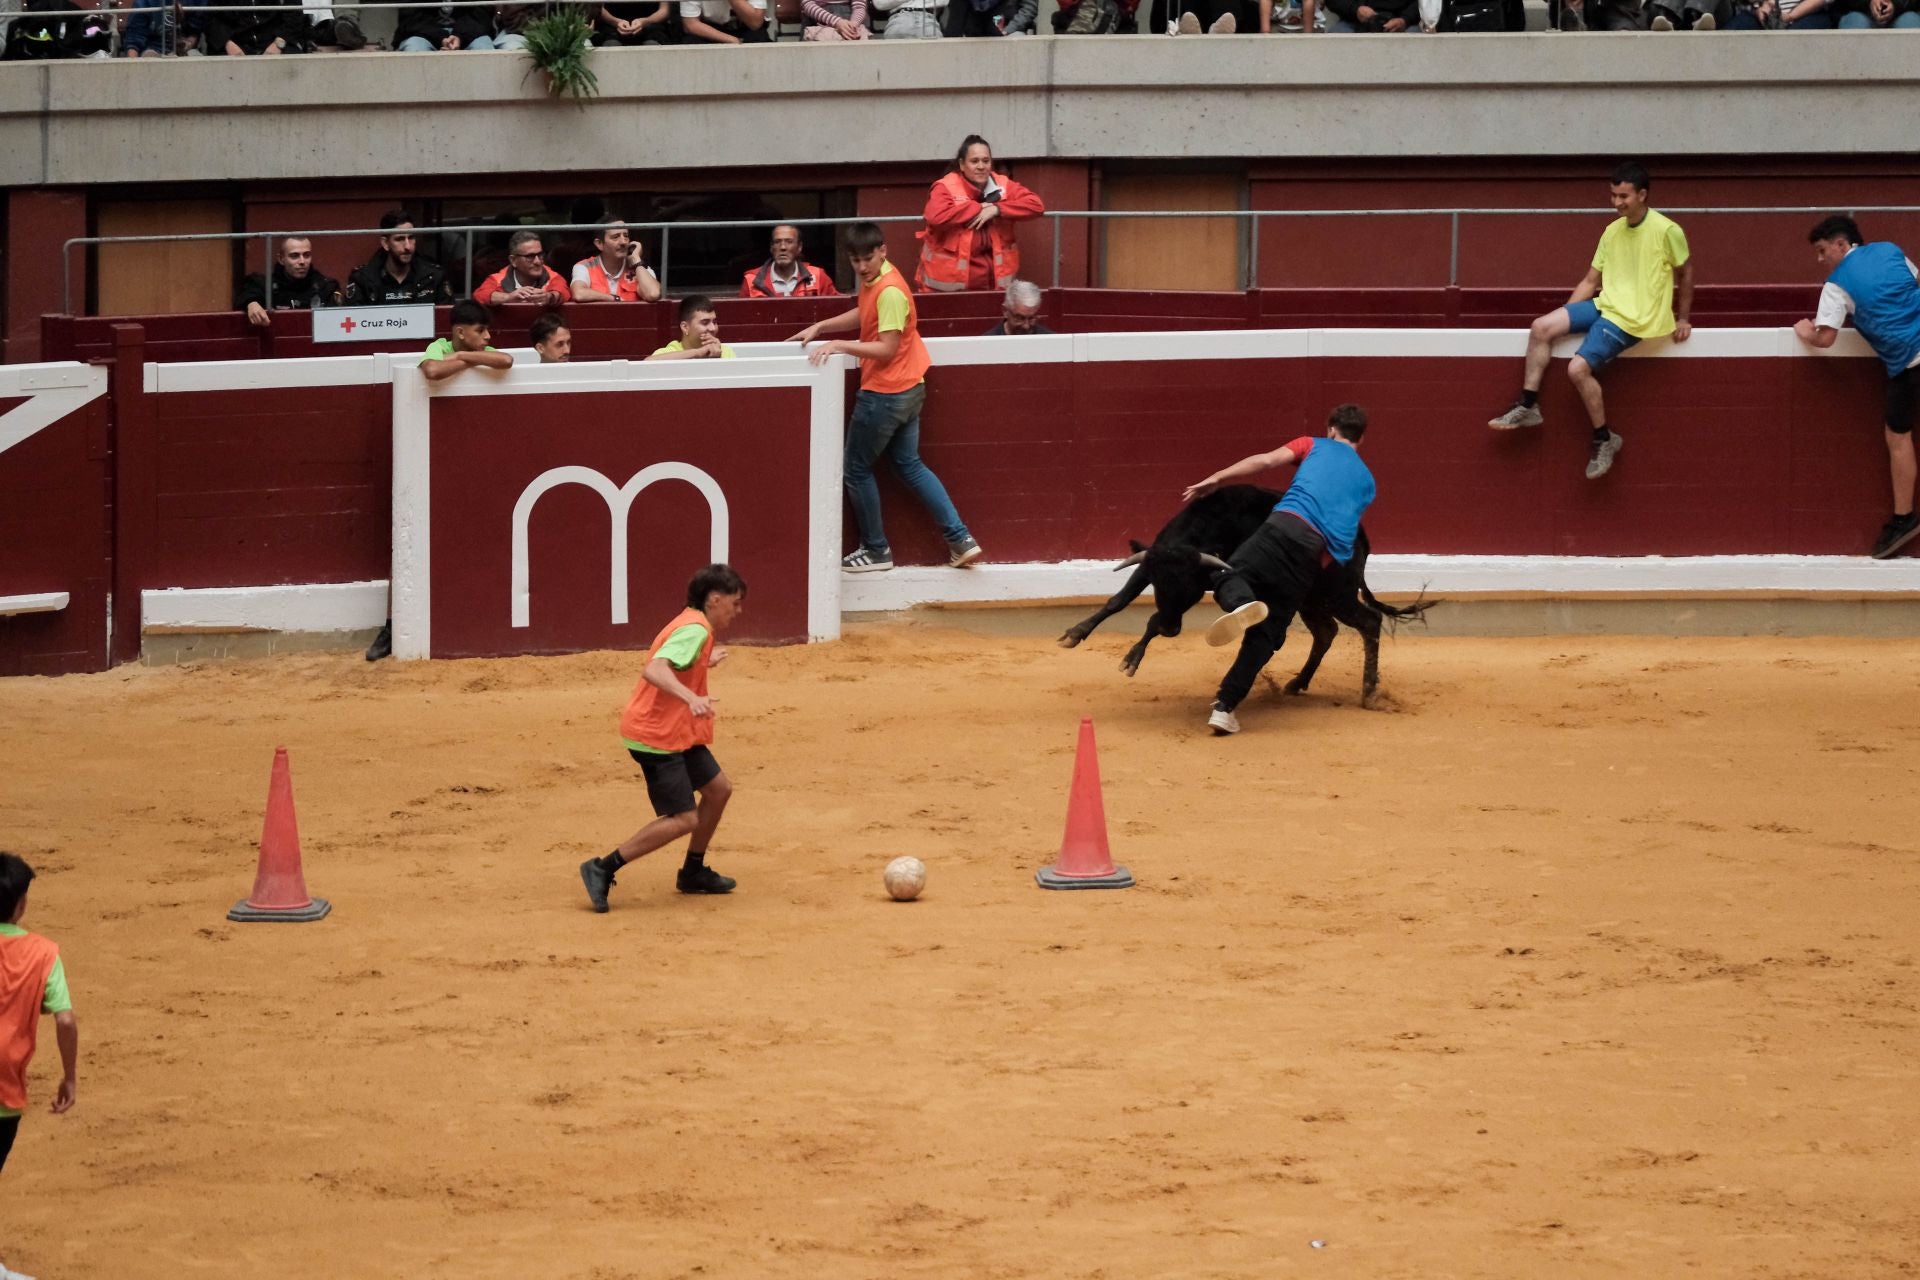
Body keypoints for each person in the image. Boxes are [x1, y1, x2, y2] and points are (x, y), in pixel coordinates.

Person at [792, 222, 983, 574]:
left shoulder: (890, 291)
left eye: (867, 258)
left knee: (856, 469)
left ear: (882, 251)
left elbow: (886, 348)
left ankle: (876, 549)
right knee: (910, 464)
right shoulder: (882, 280)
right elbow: (867, 313)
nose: (862, 266)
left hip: (886, 393)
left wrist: (838, 344)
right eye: (855, 260)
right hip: (909, 387)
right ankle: (960, 539)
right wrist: (822, 326)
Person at [1487, 162, 1692, 481]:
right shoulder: (1612, 231)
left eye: (1623, 196)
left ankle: (1604, 438)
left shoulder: (1667, 230)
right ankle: (1528, 406)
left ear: (1642, 195)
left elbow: (1686, 272)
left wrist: (1683, 318)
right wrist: (1566, 318)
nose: (1617, 202)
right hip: (1606, 305)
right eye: (1613, 195)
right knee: (1541, 327)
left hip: (1635, 320)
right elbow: (1590, 280)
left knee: (1577, 369)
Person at [1181, 404, 1376, 737]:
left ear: (1331, 429)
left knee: (1225, 572)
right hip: (1310, 557)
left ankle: (1242, 603)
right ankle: (1224, 708)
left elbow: (1266, 461)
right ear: (1362, 438)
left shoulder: (1313, 444)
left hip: (1282, 527)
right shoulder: (1368, 482)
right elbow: (1345, 533)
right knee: (1267, 635)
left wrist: (1218, 477)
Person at [579, 564, 748, 912]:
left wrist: (702, 663)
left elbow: (676, 662)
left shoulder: (693, 623)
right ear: (715, 600)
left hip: (676, 731)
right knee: (684, 818)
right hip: (656, 736)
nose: (738, 611)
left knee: (718, 790)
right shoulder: (695, 630)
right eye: (735, 603)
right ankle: (602, 868)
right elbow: (655, 668)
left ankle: (693, 871)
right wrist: (692, 697)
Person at [1795, 216, 1920, 559]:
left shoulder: (1836, 284)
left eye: (1822, 250)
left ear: (1841, 244)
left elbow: (1826, 338)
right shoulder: (1891, 250)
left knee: (1898, 438)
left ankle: (1904, 518)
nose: (1820, 259)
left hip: (1908, 364)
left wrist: (1805, 331)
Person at [0, 853, 80, 1203]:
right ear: (21, 904)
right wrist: (69, 1077)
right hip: (5, 1092)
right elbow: (65, 1019)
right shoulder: (43, 953)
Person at [916, 136, 1046, 294]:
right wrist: (977, 207)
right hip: (947, 291)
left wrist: (997, 209)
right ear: (962, 165)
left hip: (995, 289)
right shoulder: (945, 187)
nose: (981, 166)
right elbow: (935, 217)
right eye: (974, 161)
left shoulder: (1002, 184)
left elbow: (1036, 205)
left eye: (986, 161)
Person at [344, 210, 453, 306]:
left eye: (411, 238)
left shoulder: (434, 276)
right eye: (400, 239)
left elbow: (446, 318)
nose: (408, 246)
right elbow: (353, 318)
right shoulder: (363, 279)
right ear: (385, 243)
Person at [236, 235, 342, 327]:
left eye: (306, 255)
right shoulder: (265, 285)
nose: (302, 261)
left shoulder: (326, 286)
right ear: (281, 259)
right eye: (294, 256)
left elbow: (336, 322)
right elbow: (247, 294)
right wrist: (251, 303)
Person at [570, 221, 663, 303]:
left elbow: (653, 294)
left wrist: (636, 260)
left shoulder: (640, 268)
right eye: (615, 237)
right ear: (599, 244)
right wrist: (614, 299)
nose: (623, 242)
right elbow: (579, 294)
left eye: (626, 236)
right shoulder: (585, 267)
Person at [475, 231, 571, 307]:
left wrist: (549, 297)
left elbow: (564, 291)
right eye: (530, 256)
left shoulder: (553, 276)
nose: (538, 261)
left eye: (540, 255)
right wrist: (508, 297)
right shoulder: (498, 279)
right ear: (513, 260)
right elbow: (479, 295)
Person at [740, 225, 839, 298]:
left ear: (799, 247)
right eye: (777, 242)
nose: (783, 247)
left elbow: (837, 309)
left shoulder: (817, 276)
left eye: (789, 242)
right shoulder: (752, 280)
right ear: (771, 247)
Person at [647, 296, 738, 360]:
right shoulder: (671, 351)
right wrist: (698, 353)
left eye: (714, 322)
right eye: (705, 323)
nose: (712, 328)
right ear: (685, 327)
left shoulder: (724, 350)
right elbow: (648, 363)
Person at [394, 2, 499, 47]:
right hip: (423, 33)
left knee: (484, 46)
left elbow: (481, 13)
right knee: (414, 47)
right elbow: (410, 17)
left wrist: (459, 36)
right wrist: (441, 37)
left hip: (470, 31)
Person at [984, 278, 1053, 335]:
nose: (1026, 326)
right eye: (1020, 318)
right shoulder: (987, 343)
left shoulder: (1049, 340)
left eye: (1031, 318)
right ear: (1005, 311)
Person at [680, 0, 771, 41]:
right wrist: (731, 40)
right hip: (710, 29)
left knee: (758, 39)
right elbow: (690, 24)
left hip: (744, 27)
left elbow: (755, 23)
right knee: (691, 41)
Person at [593, 0, 677, 43]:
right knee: (609, 43)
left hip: (651, 24)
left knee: (654, 41)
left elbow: (664, 10)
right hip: (610, 25)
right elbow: (597, 7)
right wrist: (615, 22)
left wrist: (646, 21)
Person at [801, 0, 872, 37]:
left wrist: (853, 25)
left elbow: (859, 7)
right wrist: (836, 22)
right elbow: (807, 4)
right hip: (817, 18)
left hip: (851, 19)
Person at [874, 0, 948, 35]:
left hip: (927, 20)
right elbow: (879, 3)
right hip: (898, 20)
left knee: (936, 56)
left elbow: (943, 1)